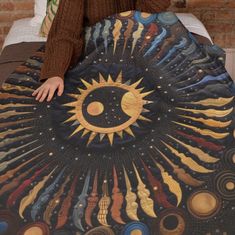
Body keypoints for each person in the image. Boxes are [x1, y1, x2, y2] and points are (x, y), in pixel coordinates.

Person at [32, 0, 171, 102]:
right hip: (99, 51)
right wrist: (55, 73)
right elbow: (65, 30)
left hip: (139, 47)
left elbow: (154, 11)